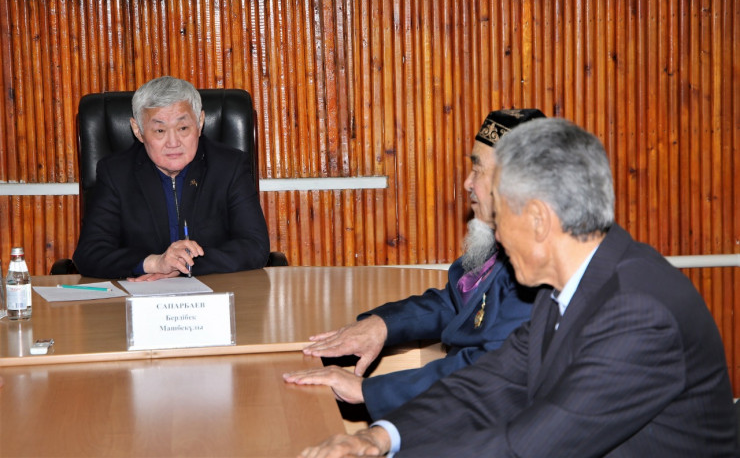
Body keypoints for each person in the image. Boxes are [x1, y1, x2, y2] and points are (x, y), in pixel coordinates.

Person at [297, 118, 738, 457]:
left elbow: (528, 447)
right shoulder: (563, 288)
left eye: (502, 215)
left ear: (539, 220)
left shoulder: (639, 313)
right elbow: (489, 384)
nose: (497, 235)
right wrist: (377, 438)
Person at [284, 109, 545, 420]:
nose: (467, 183)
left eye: (478, 170)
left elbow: (486, 372)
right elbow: (456, 302)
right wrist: (383, 325)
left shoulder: (536, 270)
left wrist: (368, 391)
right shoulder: (501, 245)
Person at [73, 76, 270, 280]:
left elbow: (255, 246)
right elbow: (89, 253)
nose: (173, 142)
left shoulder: (229, 167)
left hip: (215, 291)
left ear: (200, 122)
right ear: (138, 130)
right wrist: (154, 263)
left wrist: (182, 265)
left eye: (183, 128)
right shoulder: (116, 173)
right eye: (160, 130)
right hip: (141, 293)